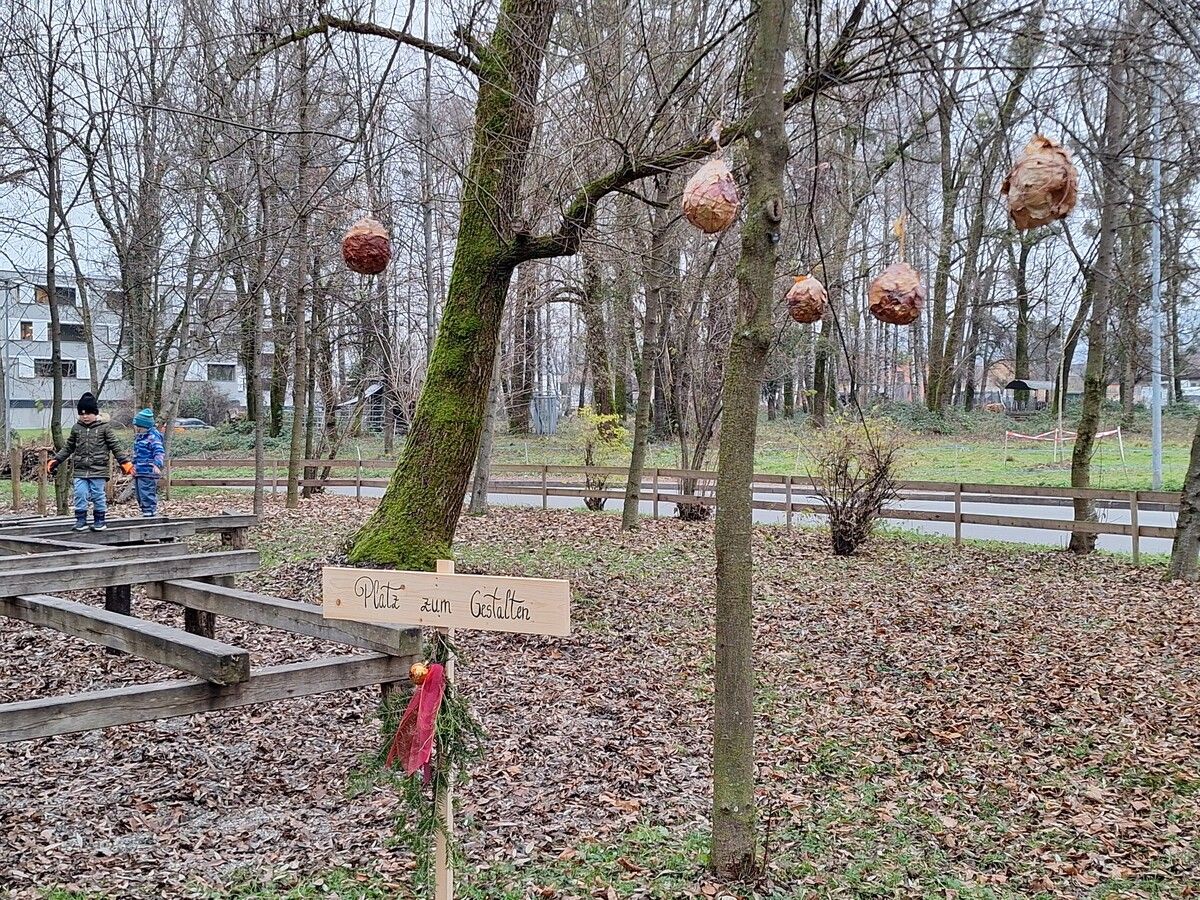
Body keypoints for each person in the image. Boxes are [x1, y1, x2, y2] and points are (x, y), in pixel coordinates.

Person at [46, 392, 133, 531]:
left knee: (97, 495)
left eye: (88, 413)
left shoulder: (104, 428)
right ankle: (81, 520)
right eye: (82, 414)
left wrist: (124, 462)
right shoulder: (77, 428)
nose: (85, 416)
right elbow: (68, 447)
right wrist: (56, 459)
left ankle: (100, 520)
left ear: (95, 413)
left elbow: (115, 445)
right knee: (80, 494)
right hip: (80, 470)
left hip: (98, 469)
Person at [132, 407, 165, 518]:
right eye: (137, 427)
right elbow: (136, 454)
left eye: (140, 427)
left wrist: (157, 465)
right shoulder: (139, 438)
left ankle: (150, 511)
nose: (138, 429)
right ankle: (145, 510)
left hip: (148, 470)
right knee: (139, 493)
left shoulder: (153, 437)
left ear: (146, 426)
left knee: (146, 491)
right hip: (139, 470)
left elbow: (159, 451)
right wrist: (133, 466)